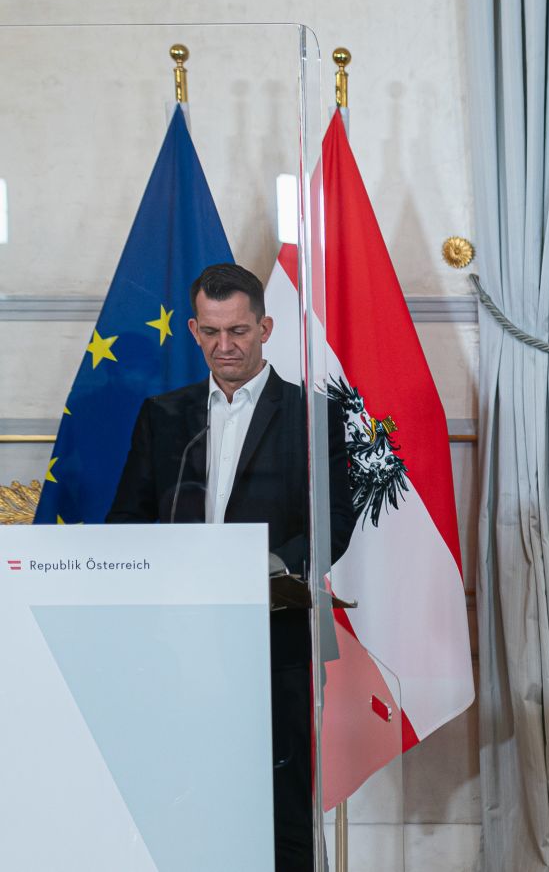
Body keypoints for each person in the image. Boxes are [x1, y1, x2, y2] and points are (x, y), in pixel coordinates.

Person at [107, 263, 354, 872]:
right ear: (193, 329)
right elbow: (127, 521)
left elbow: (334, 526)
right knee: (183, 798)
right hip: (176, 643)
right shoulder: (163, 416)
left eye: (239, 331)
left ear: (266, 327)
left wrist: (261, 567)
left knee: (281, 809)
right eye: (212, 332)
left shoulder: (313, 415)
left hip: (275, 639)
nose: (225, 346)